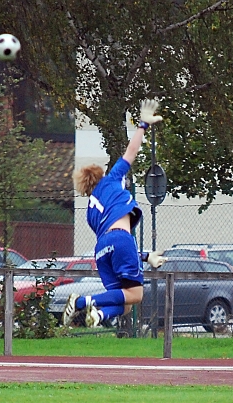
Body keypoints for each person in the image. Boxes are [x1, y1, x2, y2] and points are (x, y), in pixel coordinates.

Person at [63, 99, 166, 328]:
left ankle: (99, 316)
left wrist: (146, 256)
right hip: (119, 239)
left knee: (126, 302)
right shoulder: (111, 180)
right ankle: (82, 301)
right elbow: (131, 152)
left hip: (102, 251)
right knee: (136, 295)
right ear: (99, 176)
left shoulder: (90, 211)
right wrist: (143, 125)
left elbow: (110, 240)